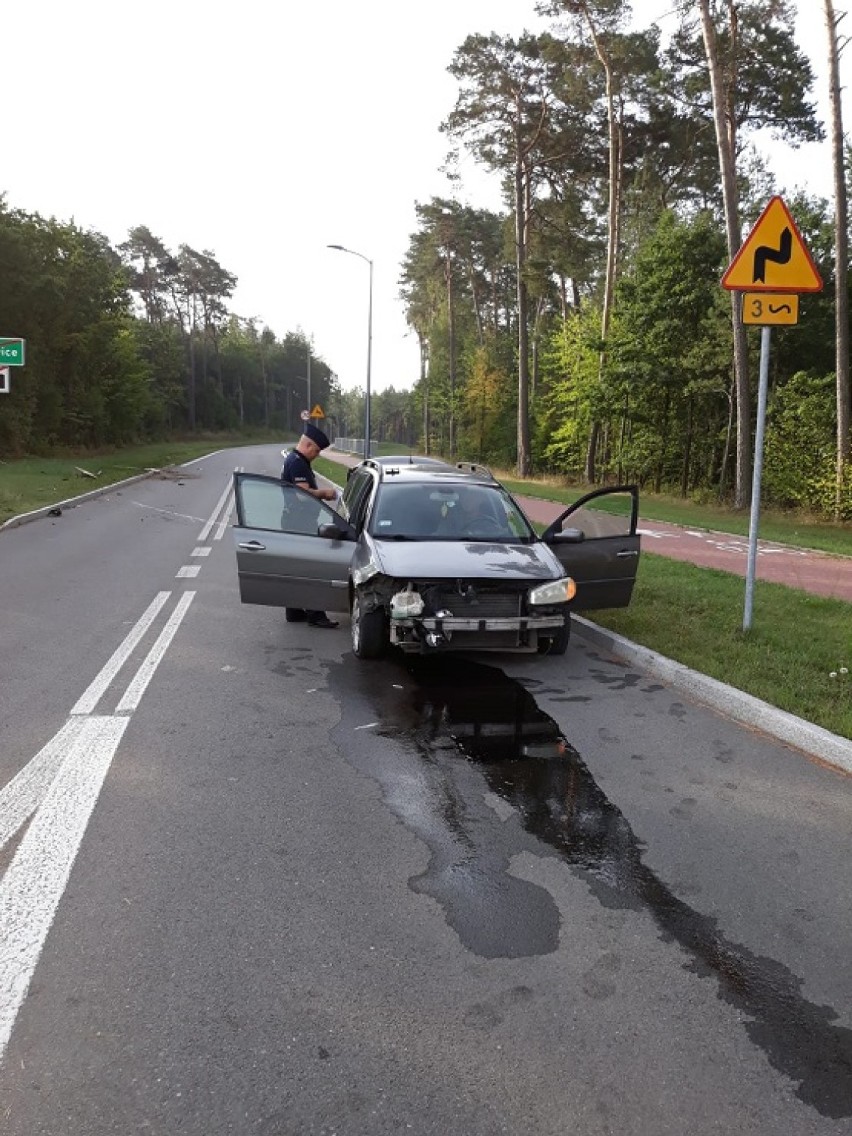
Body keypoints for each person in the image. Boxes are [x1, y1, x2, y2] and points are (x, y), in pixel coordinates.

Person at [280, 423, 339, 629]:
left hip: (294, 520)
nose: (317, 455)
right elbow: (302, 495)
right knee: (311, 568)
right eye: (316, 450)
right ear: (307, 444)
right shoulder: (297, 463)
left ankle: (294, 610)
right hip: (299, 522)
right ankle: (316, 614)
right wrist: (325, 493)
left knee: (296, 567)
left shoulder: (296, 460)